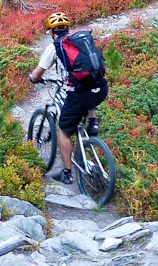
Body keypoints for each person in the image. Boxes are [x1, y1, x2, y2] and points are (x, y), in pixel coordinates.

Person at [28, 12, 108, 185]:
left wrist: (33, 78)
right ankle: (92, 122)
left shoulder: (55, 46)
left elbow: (37, 74)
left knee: (63, 130)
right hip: (101, 88)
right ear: (68, 28)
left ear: (51, 31)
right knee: (88, 94)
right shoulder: (81, 39)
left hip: (79, 93)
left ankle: (66, 173)